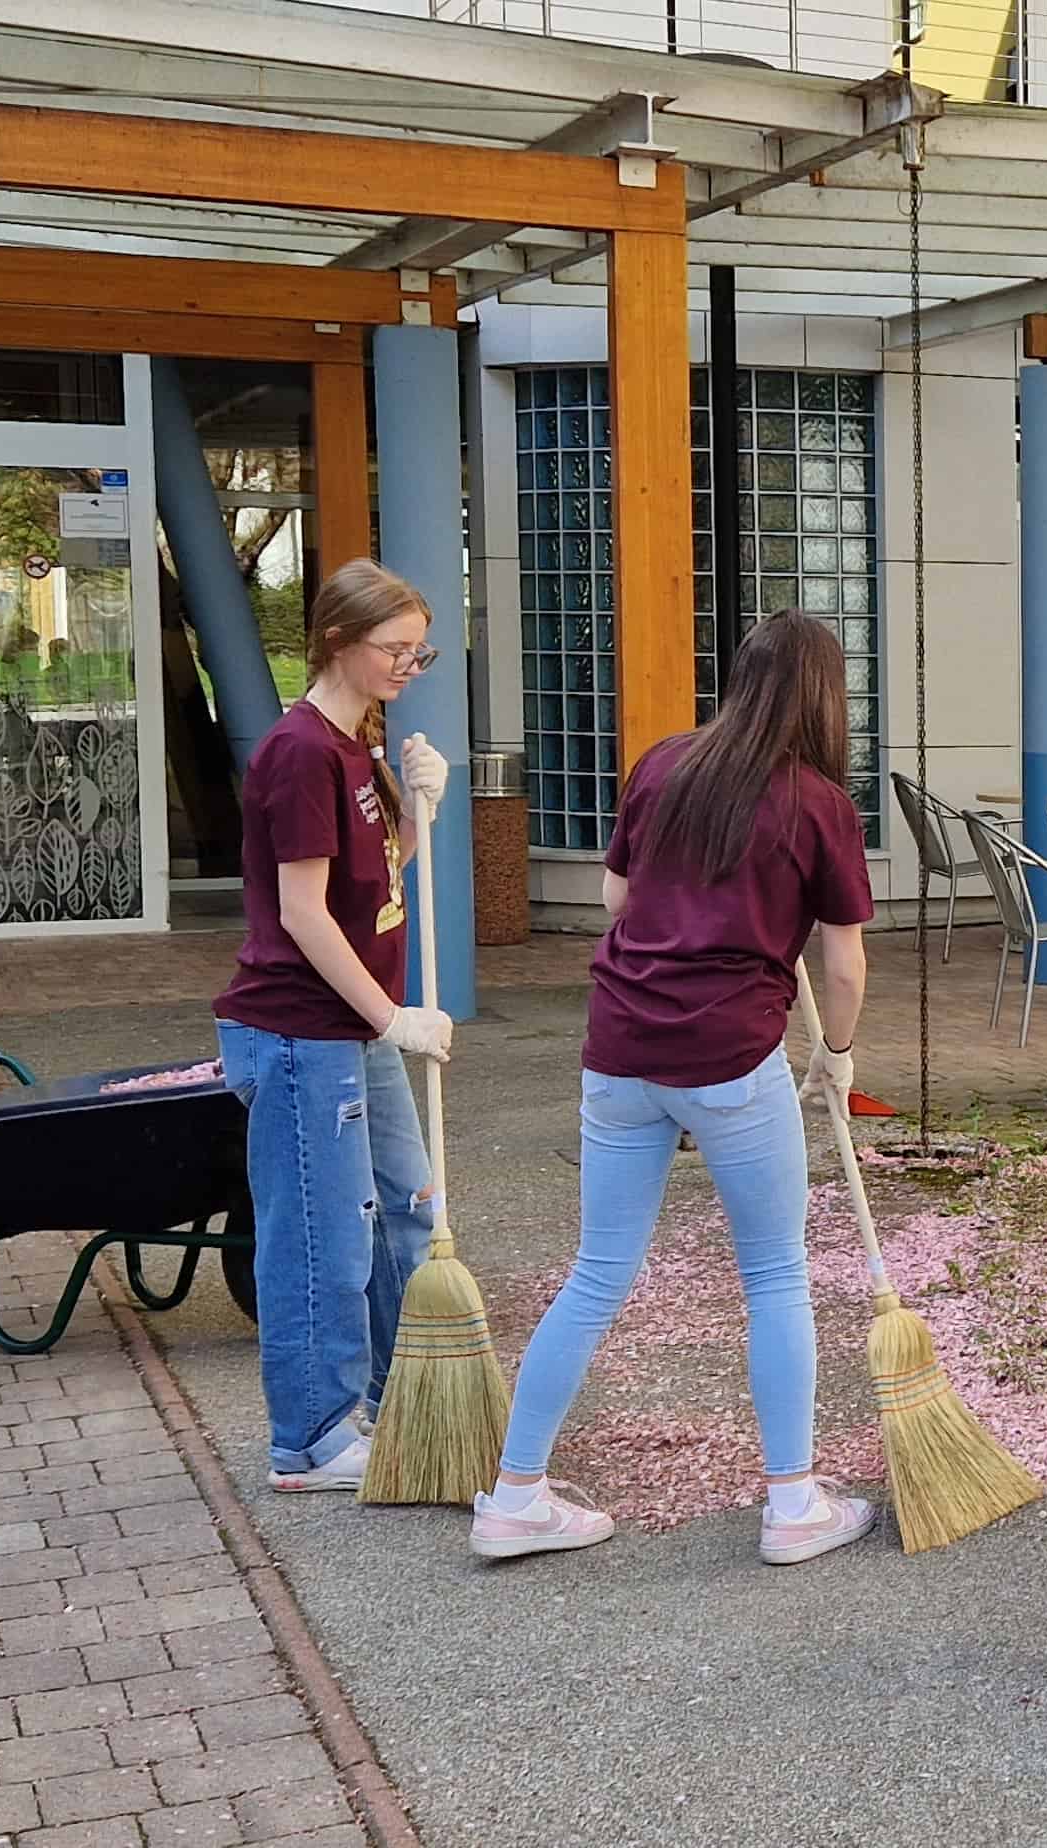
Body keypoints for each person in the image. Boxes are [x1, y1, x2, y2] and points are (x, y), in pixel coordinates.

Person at [466, 615, 877, 1565]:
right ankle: (793, 1506)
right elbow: (844, 964)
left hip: (620, 1049)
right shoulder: (818, 804)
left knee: (597, 1273)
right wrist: (837, 1053)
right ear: (824, 697)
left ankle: (515, 1496)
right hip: (731, 1057)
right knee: (774, 1273)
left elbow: (617, 902)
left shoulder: (662, 765)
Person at [211, 559, 452, 1496]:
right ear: (339, 641)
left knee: (406, 1211)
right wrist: (392, 1017)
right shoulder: (301, 752)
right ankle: (310, 1440)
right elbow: (303, 913)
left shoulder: (358, 744)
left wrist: (420, 809)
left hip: (351, 1029)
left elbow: (376, 882)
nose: (408, 666)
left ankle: (400, 1399)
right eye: (395, 649)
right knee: (323, 1239)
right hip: (301, 1033)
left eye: (419, 652)